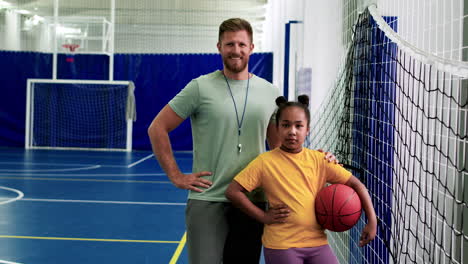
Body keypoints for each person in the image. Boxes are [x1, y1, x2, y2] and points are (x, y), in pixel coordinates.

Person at [147, 18, 338, 264]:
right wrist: (176, 176)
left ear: (251, 48)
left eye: (241, 44)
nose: (235, 50)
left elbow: (282, 149)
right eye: (229, 44)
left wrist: (318, 160)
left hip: (253, 201)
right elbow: (157, 128)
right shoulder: (199, 88)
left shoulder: (270, 92)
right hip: (208, 199)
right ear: (219, 47)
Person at [225, 95, 377, 264]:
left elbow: (357, 185)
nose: (292, 131)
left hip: (318, 242)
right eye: (285, 125)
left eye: (299, 126)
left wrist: (372, 221)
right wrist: (263, 217)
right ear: (277, 128)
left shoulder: (320, 160)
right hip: (282, 245)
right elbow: (233, 191)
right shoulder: (265, 162)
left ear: (307, 130)